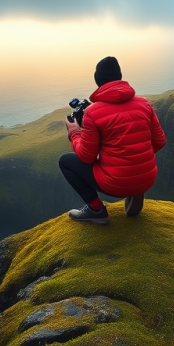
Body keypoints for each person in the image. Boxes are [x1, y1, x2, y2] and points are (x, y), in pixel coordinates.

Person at [59, 56, 166, 225]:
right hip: (147, 178)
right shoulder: (144, 103)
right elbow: (159, 141)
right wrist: (133, 157)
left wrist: (73, 131)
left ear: (97, 80)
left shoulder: (93, 113)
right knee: (124, 160)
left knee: (65, 161)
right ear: (120, 77)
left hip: (116, 184)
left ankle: (96, 211)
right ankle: (136, 193)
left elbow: (86, 157)